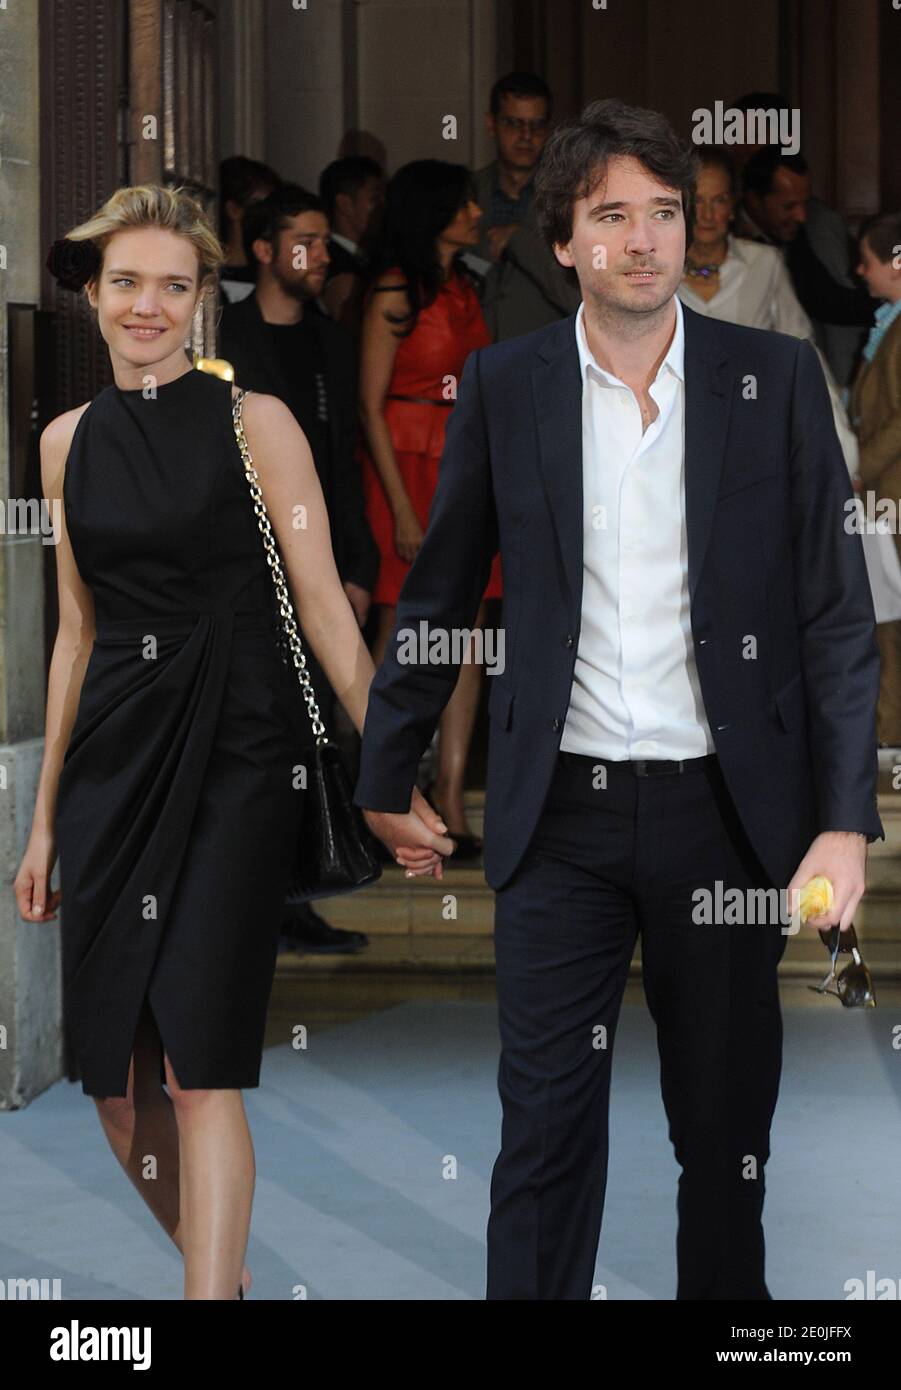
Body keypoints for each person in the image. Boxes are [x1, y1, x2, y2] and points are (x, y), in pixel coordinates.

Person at [353, 98, 883, 1300]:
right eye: (611, 217)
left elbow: (833, 615)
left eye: (664, 213)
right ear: (564, 242)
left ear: (689, 233)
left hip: (726, 818)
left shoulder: (774, 379)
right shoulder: (505, 386)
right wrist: (385, 774)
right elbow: (440, 590)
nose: (643, 239)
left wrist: (843, 818)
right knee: (541, 1137)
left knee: (724, 1137)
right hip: (563, 827)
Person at [16, 184, 450, 1300]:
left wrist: (388, 772)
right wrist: (44, 823)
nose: (147, 306)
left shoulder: (258, 422)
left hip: (238, 754)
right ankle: (229, 1278)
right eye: (126, 284)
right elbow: (76, 634)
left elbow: (324, 611)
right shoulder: (64, 443)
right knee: (114, 1083)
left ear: (203, 297)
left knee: (203, 1069)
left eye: (172, 284)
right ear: (95, 297)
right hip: (115, 761)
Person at [218, 184, 381, 947]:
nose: (319, 256)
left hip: (319, 564)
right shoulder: (222, 334)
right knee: (259, 732)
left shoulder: (331, 341)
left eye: (324, 243)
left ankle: (302, 888)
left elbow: (342, 461)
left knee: (316, 726)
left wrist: (356, 559)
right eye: (305, 242)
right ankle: (263, 902)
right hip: (243, 569)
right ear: (262, 250)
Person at [358, 159, 502, 857]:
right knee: (399, 627)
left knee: (468, 629)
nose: (478, 213)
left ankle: (449, 795)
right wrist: (402, 511)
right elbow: (368, 403)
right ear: (435, 212)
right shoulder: (393, 288)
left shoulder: (467, 287)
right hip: (404, 469)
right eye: (466, 204)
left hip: (464, 468)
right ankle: (378, 795)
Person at [678, 147, 860, 473]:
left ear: (733, 205)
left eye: (718, 200)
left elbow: (803, 351)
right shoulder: (656, 270)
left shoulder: (765, 263)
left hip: (754, 430)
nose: (706, 214)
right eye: (697, 199)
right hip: (677, 433)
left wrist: (843, 452)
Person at [735, 142, 873, 387]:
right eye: (788, 206)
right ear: (754, 201)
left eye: (805, 203)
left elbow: (829, 300)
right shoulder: (722, 240)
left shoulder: (815, 228)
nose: (802, 216)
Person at [467, 71, 581, 340]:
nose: (526, 136)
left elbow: (580, 297)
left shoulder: (571, 198)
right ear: (491, 124)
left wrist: (519, 239)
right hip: (473, 361)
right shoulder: (466, 193)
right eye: (513, 124)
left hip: (546, 358)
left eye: (536, 126)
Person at [849, 212, 901, 746]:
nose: (859, 271)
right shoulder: (891, 322)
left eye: (866, 261)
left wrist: (859, 469)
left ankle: (891, 736)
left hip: (892, 496)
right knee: (885, 617)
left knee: (889, 619)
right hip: (886, 500)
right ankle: (889, 736)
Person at [318, 155, 385, 334]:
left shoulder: (371, 256)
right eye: (375, 198)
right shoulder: (335, 263)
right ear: (345, 204)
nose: (383, 207)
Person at [217, 155, 281, 304]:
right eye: (262, 205)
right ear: (233, 210)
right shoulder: (207, 273)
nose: (270, 214)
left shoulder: (272, 274)